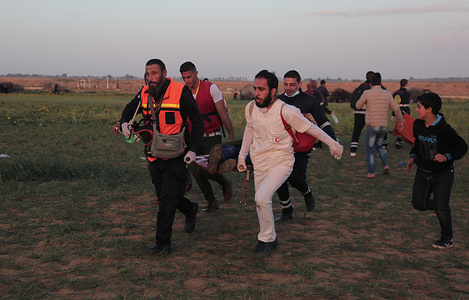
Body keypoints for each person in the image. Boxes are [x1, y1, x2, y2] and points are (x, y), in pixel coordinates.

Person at [237, 70, 343, 255]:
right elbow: (249, 129)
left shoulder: (286, 110)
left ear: (272, 91)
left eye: (261, 89)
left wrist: (333, 144)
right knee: (261, 202)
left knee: (261, 197)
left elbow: (311, 128)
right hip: (259, 161)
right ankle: (271, 239)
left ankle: (264, 240)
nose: (256, 93)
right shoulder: (251, 108)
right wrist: (241, 156)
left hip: (281, 162)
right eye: (255, 88)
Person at [118, 59, 204, 255]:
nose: (150, 78)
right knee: (165, 196)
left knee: (166, 200)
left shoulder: (180, 92)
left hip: (177, 155)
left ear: (164, 73)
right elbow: (129, 109)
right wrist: (124, 124)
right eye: (147, 74)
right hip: (153, 155)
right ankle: (190, 209)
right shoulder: (144, 92)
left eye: (154, 73)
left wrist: (193, 149)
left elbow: (197, 122)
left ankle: (163, 243)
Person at [407, 93, 467, 249]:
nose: (416, 109)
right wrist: (413, 156)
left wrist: (446, 156)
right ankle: (442, 205)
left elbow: (462, 147)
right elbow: (417, 143)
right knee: (418, 204)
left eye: (419, 107)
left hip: (443, 173)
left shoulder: (444, 129)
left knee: (441, 209)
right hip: (422, 171)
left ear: (429, 109)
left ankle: (447, 239)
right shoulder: (418, 125)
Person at [275, 70, 337, 222]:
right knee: (278, 179)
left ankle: (306, 191)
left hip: (302, 148)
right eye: (286, 84)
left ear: (300, 84)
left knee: (296, 179)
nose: (288, 88)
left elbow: (323, 122)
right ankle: (286, 211)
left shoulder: (309, 100)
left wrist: (333, 142)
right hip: (281, 148)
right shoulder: (277, 101)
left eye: (292, 85)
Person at [179, 61, 235, 213]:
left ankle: (225, 183)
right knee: (195, 170)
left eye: (189, 77)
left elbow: (223, 113)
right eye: (184, 78)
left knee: (208, 169)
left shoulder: (211, 88)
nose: (187, 81)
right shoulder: (184, 91)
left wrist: (231, 136)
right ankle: (212, 202)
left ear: (196, 74)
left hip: (213, 134)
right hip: (193, 138)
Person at [355, 72, 404, 178]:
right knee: (379, 146)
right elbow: (396, 108)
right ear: (381, 83)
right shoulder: (387, 93)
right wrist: (401, 122)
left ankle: (371, 172)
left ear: (371, 84)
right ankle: (386, 165)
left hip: (372, 125)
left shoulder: (367, 93)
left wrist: (365, 104)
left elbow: (358, 106)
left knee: (369, 149)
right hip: (383, 126)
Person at [349, 71, 374, 157]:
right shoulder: (375, 88)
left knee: (357, 131)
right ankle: (382, 147)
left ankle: (353, 150)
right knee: (376, 129)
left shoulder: (360, 87)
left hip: (358, 113)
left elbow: (352, 102)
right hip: (370, 113)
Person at [392, 79, 411, 149]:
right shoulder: (407, 93)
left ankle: (399, 139)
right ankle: (399, 140)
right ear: (406, 84)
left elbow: (394, 104)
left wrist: (393, 114)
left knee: (400, 126)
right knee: (405, 127)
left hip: (397, 111)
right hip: (405, 111)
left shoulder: (395, 93)